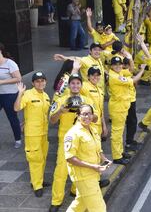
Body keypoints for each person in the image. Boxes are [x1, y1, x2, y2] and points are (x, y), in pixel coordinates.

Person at [48, 73, 96, 212]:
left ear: (81, 85)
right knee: (61, 170)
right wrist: (61, 112)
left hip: (82, 139)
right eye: (73, 83)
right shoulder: (61, 99)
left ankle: (76, 192)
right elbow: (52, 120)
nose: (75, 86)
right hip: (66, 140)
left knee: (82, 169)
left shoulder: (87, 100)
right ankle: (56, 201)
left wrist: (88, 115)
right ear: (69, 85)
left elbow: (96, 117)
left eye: (78, 83)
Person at [64, 104, 111, 212]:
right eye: (84, 114)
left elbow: (97, 149)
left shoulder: (92, 129)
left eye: (89, 114)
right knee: (99, 208)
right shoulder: (73, 134)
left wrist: (104, 159)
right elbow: (70, 158)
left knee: (79, 204)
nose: (87, 117)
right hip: (83, 176)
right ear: (78, 115)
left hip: (93, 174)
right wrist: (93, 166)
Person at [13, 72, 50, 197]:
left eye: (42, 80)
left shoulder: (46, 95)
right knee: (35, 159)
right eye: (37, 81)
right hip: (32, 134)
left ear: (45, 82)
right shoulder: (28, 94)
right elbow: (17, 108)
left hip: (44, 133)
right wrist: (20, 93)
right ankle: (37, 186)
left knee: (43, 158)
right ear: (33, 83)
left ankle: (38, 180)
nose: (40, 83)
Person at [108, 56, 145, 165]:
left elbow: (130, 70)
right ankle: (117, 157)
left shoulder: (119, 73)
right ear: (111, 66)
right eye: (115, 65)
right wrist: (142, 70)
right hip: (118, 107)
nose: (118, 66)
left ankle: (120, 152)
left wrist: (129, 58)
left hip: (122, 106)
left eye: (120, 64)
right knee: (117, 133)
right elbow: (134, 79)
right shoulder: (115, 77)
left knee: (120, 132)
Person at [0, 43, 22, 148]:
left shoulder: (10, 63)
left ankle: (18, 139)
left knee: (12, 117)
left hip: (10, 95)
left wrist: (1, 82)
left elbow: (18, 78)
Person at [79, 66, 107, 140]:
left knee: (97, 148)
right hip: (89, 124)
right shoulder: (84, 86)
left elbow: (101, 110)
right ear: (88, 76)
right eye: (93, 75)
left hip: (98, 125)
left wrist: (104, 125)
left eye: (97, 75)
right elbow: (73, 87)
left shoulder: (100, 90)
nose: (95, 77)